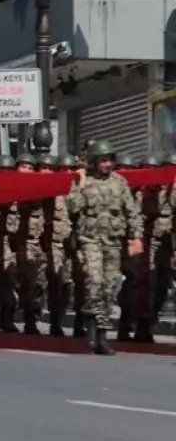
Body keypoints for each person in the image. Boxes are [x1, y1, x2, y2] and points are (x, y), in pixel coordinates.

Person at [66, 140, 142, 356]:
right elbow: (73, 208)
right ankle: (90, 319)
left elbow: (132, 212)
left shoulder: (120, 182)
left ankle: (101, 332)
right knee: (94, 281)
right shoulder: (83, 181)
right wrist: (79, 184)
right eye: (102, 160)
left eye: (109, 160)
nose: (107, 164)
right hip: (90, 240)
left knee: (110, 287)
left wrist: (135, 237)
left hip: (113, 241)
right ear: (94, 162)